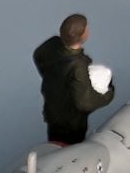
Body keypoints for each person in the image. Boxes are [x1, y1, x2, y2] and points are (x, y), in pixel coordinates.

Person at [32, 14, 114, 145]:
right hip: (71, 123)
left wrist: (50, 76)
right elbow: (85, 103)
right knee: (70, 149)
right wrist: (108, 94)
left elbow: (38, 55)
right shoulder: (78, 67)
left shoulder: (52, 45)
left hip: (53, 112)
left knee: (55, 143)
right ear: (83, 36)